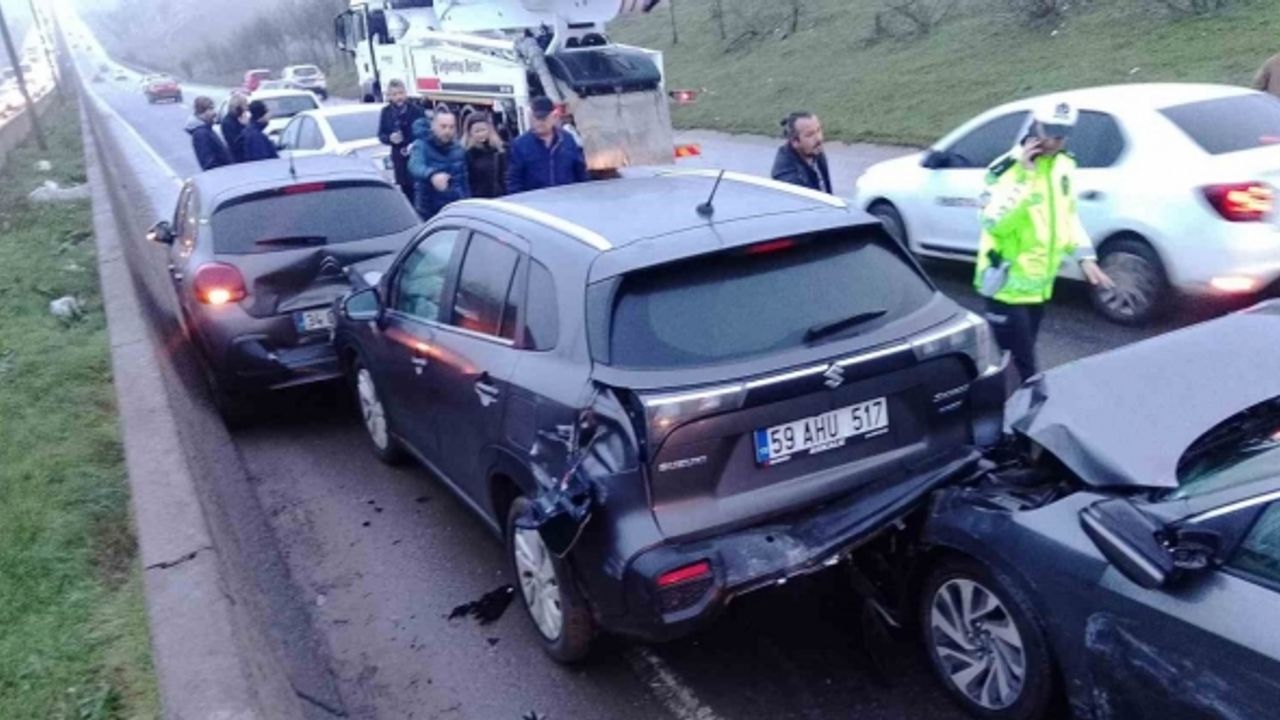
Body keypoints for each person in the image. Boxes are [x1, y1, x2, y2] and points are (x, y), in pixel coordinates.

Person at [974, 99, 1115, 382]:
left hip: (1037, 288)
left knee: (1019, 368)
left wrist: (1085, 258)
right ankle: (1016, 419)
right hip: (1005, 289)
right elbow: (995, 223)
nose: (1053, 139)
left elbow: (1067, 217)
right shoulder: (1005, 169)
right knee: (1025, 370)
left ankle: (1010, 414)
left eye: (1061, 133)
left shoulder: (1064, 166)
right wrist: (1025, 178)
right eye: (1048, 130)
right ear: (1034, 125)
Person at [506, 97, 588, 194]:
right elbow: (513, 179)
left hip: (566, 199)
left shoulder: (567, 140)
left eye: (543, 118)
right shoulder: (520, 145)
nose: (539, 123)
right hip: (535, 202)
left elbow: (580, 172)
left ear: (554, 116)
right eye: (535, 118)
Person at [408, 110, 469, 220]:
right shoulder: (421, 145)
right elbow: (415, 165)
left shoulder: (458, 148)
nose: (447, 131)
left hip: (456, 208)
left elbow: (463, 180)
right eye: (443, 127)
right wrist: (432, 175)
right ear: (433, 127)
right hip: (430, 211)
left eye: (451, 127)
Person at [378, 79, 426, 201]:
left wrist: (415, 143)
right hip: (399, 158)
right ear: (389, 96)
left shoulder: (417, 110)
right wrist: (390, 138)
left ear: (405, 93)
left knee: (420, 190)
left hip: (416, 155)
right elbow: (381, 134)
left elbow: (425, 132)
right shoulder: (386, 112)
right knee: (406, 191)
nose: (398, 97)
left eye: (400, 93)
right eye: (394, 94)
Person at [771, 111, 832, 193]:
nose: (819, 138)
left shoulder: (814, 151)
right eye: (810, 135)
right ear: (795, 141)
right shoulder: (788, 178)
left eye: (818, 130)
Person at [464, 113, 507, 199]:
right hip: (480, 199)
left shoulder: (498, 150)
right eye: (477, 131)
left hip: (500, 197)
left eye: (483, 130)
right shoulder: (468, 154)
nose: (481, 134)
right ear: (470, 133)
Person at [186, 96, 232, 171]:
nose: (214, 113)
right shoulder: (201, 134)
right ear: (201, 112)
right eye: (210, 109)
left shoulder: (207, 130)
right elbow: (208, 164)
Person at [221, 92, 248, 163]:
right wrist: (245, 126)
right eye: (245, 105)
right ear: (238, 107)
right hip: (238, 159)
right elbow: (236, 143)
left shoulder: (240, 119)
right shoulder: (228, 122)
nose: (246, 108)